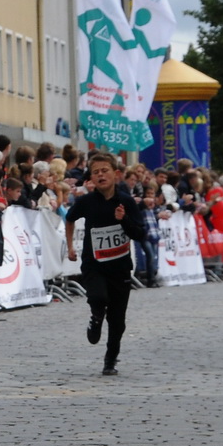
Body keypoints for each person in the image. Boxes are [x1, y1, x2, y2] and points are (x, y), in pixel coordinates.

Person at [63, 156, 145, 374]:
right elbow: (69, 219)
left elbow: (140, 233)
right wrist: (70, 247)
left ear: (115, 174)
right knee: (98, 298)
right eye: (96, 171)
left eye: (105, 170)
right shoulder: (86, 202)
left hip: (120, 267)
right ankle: (96, 317)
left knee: (117, 321)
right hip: (94, 264)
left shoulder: (126, 202)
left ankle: (110, 360)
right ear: (91, 177)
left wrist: (123, 219)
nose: (100, 175)